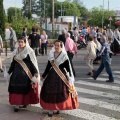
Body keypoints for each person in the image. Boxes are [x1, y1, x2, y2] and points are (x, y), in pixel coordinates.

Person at [40, 40, 79, 117]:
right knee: (50, 92)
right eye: (55, 45)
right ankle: (50, 109)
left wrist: (70, 77)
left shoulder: (64, 55)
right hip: (51, 75)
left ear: (61, 46)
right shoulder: (51, 54)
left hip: (61, 76)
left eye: (58, 45)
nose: (57, 47)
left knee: (60, 92)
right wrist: (43, 76)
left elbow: (68, 67)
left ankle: (58, 108)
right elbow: (48, 66)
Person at [4, 36, 40, 112]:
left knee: (24, 89)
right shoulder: (15, 52)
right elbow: (13, 64)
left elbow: (33, 63)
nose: (20, 43)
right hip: (16, 74)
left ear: (25, 42)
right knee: (15, 88)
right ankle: (16, 105)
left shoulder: (29, 51)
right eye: (19, 42)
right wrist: (8, 72)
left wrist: (36, 72)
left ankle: (24, 103)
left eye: (22, 42)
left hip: (25, 74)